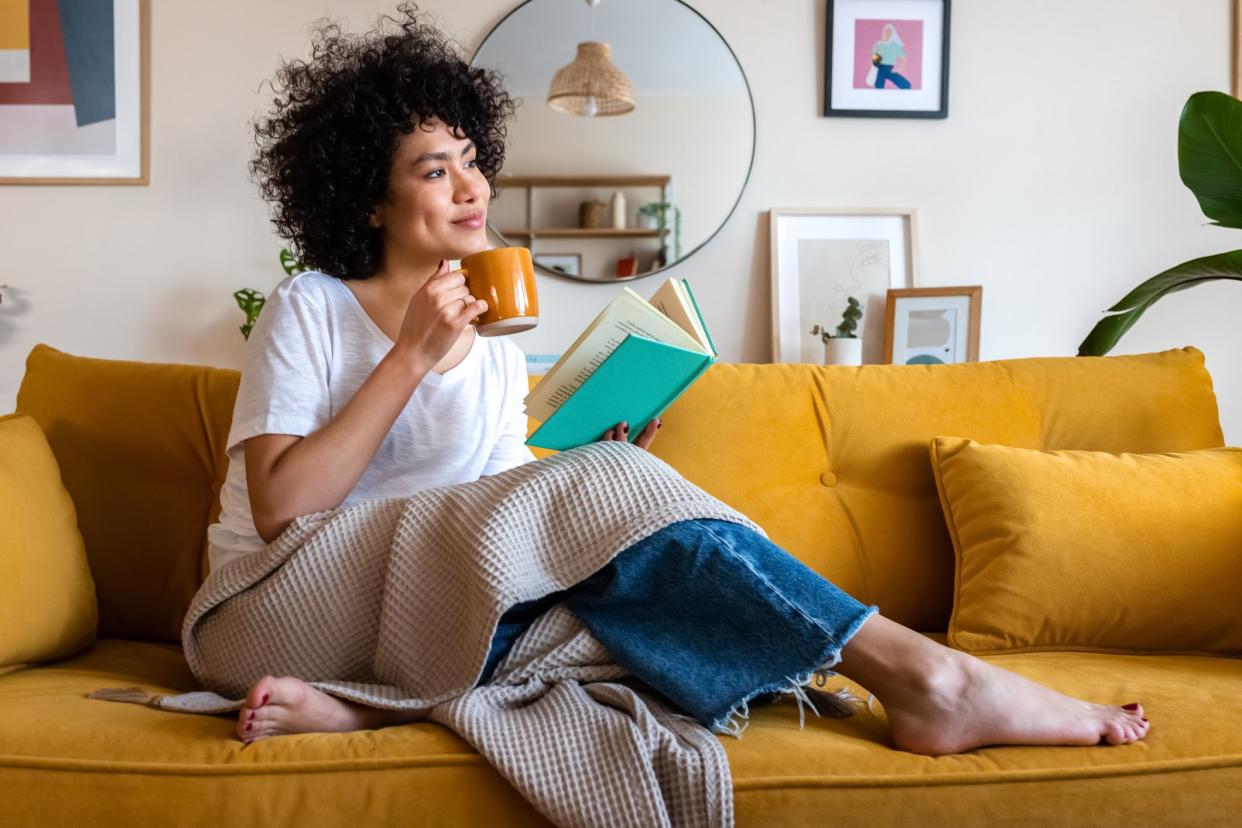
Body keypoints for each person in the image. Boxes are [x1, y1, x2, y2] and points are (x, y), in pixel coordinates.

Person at [210, 3, 1150, 755]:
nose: (473, 190)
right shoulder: (313, 309)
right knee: (627, 595)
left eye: (473, 162)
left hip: (420, 612)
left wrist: (591, 465)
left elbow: (491, 518)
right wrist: (410, 358)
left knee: (633, 609)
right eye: (434, 169)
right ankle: (930, 676)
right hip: (276, 608)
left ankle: (379, 706)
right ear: (370, 200)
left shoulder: (495, 347)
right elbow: (286, 510)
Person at [872, 23, 912, 89]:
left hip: (889, 68)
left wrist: (899, 70)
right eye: (886, 31)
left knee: (906, 85)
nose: (887, 33)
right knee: (878, 86)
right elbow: (875, 59)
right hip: (880, 67)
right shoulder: (878, 44)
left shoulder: (895, 46)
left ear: (893, 33)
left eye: (890, 32)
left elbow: (904, 59)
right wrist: (876, 56)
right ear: (883, 32)